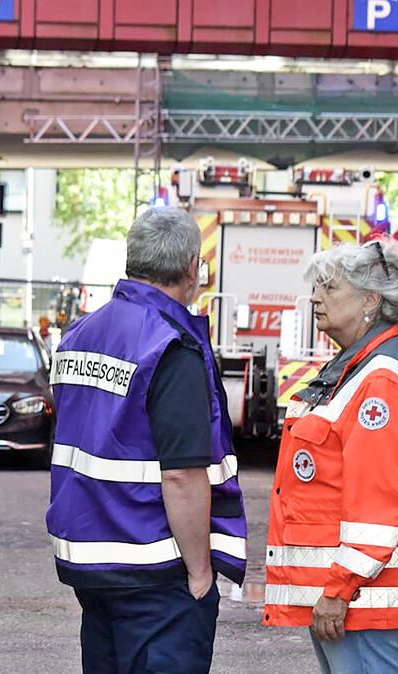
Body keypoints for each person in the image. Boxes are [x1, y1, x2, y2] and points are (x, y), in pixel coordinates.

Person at [46, 207, 247, 674]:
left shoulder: (80, 335)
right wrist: (200, 572)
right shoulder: (169, 346)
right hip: (154, 569)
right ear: (192, 268)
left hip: (91, 562)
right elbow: (181, 473)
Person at [263, 240, 398, 674]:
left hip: (357, 596)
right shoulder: (361, 366)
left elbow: (377, 508)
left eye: (329, 288)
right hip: (353, 593)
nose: (314, 298)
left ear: (370, 300)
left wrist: (340, 589)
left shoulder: (382, 381)